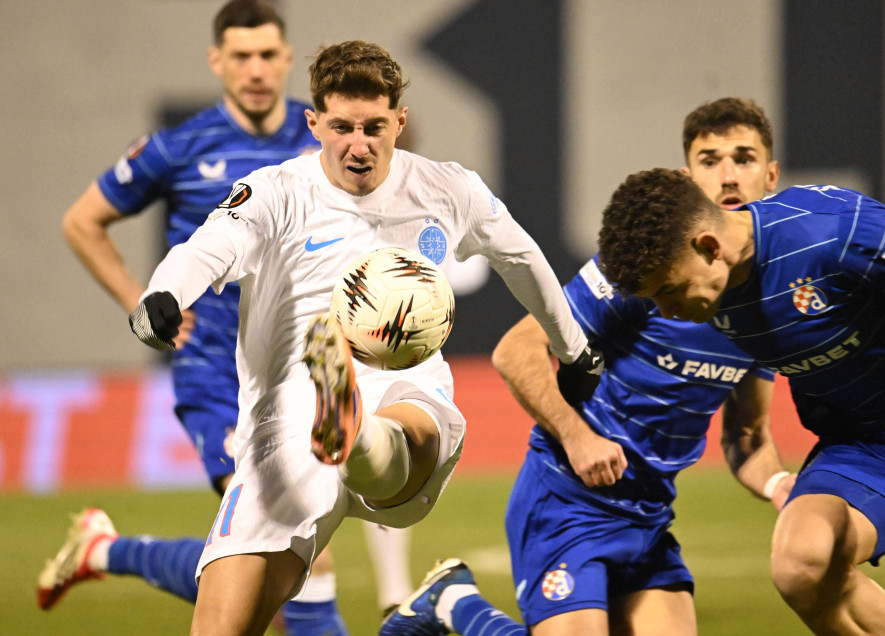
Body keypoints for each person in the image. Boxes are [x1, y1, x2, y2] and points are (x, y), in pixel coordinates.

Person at [125, 39, 600, 636]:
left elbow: (521, 257)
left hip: (404, 389)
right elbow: (207, 249)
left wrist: (573, 348)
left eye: (375, 127)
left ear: (400, 121)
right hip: (289, 415)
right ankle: (350, 430)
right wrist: (164, 295)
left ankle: (357, 434)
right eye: (343, 127)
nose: (359, 144)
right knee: (224, 625)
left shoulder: (447, 189)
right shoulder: (275, 192)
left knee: (410, 427)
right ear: (314, 123)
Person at [380, 98, 796, 635]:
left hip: (648, 518)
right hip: (568, 503)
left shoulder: (766, 306)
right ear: (689, 175)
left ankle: (453, 601)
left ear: (771, 175)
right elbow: (517, 350)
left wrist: (780, 484)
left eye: (743, 158)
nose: (728, 175)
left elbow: (747, 436)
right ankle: (457, 607)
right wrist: (578, 438)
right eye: (710, 160)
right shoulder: (646, 271)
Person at [594, 168, 885, 635]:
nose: (668, 312)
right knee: (803, 564)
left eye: (669, 292)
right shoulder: (708, 291)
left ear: (710, 247)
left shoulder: (833, 230)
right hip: (868, 445)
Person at [40, 2, 373, 632]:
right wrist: (141, 299)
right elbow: (82, 222)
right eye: (241, 56)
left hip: (300, 369)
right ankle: (106, 551)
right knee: (293, 547)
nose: (256, 70)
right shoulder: (179, 148)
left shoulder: (320, 140)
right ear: (217, 61)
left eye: (268, 55)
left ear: (287, 58)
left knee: (268, 574)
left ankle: (104, 550)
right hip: (216, 373)